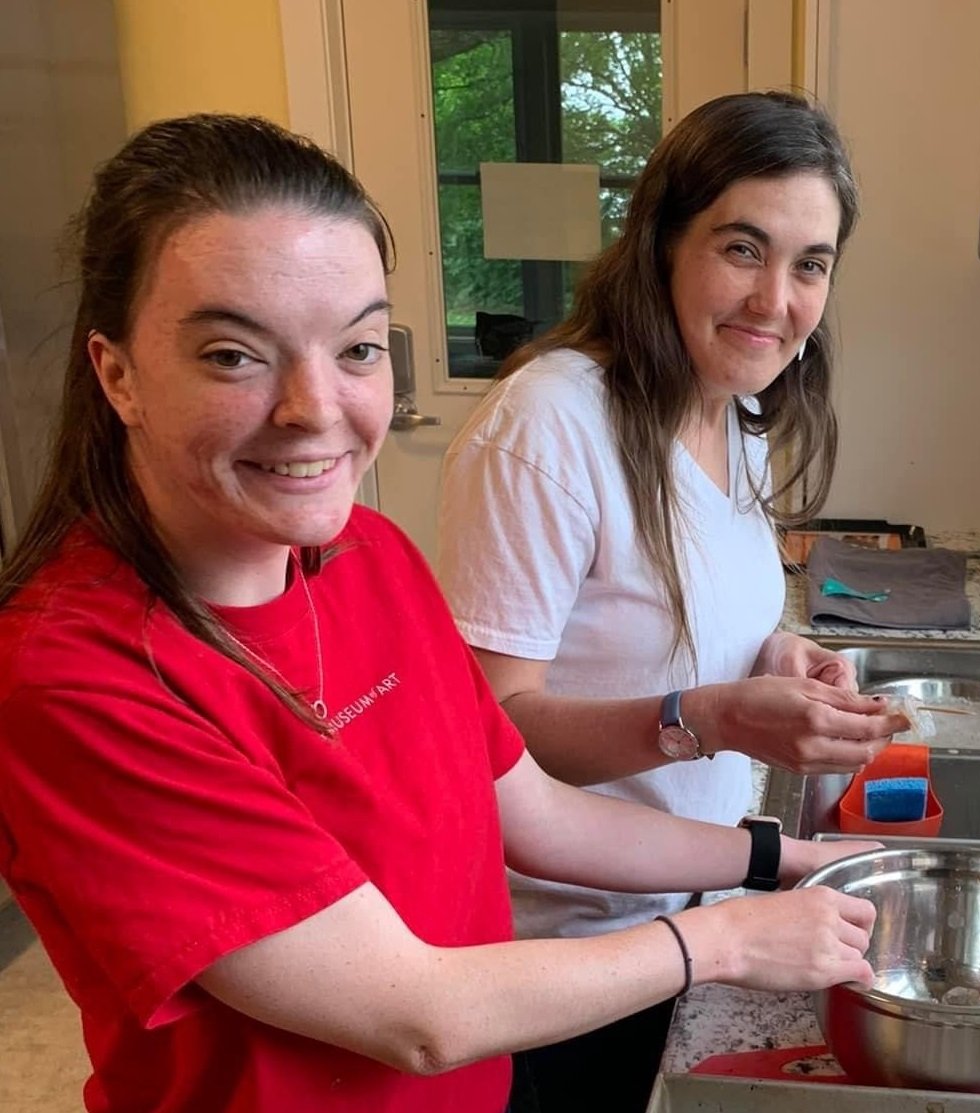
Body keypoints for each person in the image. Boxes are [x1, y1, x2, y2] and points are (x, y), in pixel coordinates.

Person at [0, 114, 880, 1113]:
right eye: (234, 356)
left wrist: (784, 858)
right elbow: (413, 1014)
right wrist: (720, 939)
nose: (314, 408)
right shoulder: (78, 677)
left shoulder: (369, 561)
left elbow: (533, 815)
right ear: (116, 372)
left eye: (359, 348)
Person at [435, 91, 903, 1111]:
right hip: (570, 956)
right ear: (660, 243)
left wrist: (769, 655)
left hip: (694, 911)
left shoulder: (734, 409)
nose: (776, 299)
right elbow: (498, 738)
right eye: (742, 247)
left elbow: (657, 622)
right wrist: (717, 717)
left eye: (810, 264)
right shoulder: (549, 426)